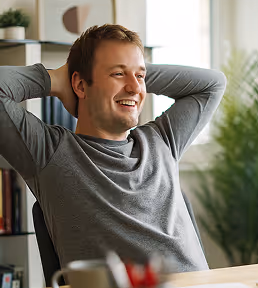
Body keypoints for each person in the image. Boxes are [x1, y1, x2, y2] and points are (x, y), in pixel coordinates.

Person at [0, 24, 226, 272]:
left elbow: (213, 83)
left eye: (140, 77)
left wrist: (130, 69)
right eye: (118, 74)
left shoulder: (162, 139)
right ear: (81, 85)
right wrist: (56, 77)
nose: (135, 88)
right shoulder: (48, 152)